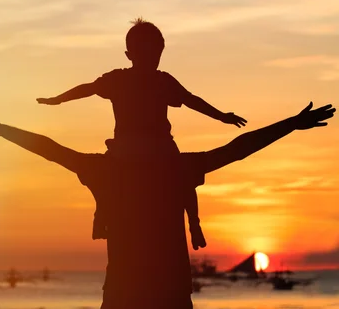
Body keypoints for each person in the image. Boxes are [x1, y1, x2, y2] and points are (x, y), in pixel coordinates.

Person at [0, 102, 334, 308]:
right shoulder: (176, 167)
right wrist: (291, 124)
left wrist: (4, 131)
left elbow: (50, 149)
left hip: (128, 292)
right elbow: (237, 149)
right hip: (165, 293)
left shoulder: (104, 168)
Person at [36, 18, 247, 248]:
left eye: (155, 54)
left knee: (176, 173)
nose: (151, 60)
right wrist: (58, 100)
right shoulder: (121, 79)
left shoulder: (160, 80)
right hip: (133, 146)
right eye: (146, 53)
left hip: (153, 146)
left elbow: (191, 100)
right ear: (130, 55)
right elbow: (87, 89)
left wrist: (221, 116)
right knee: (169, 174)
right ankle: (106, 214)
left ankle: (193, 224)